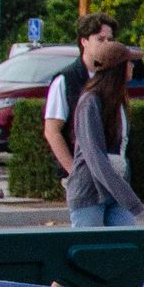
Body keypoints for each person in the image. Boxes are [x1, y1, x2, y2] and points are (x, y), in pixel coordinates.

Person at [63, 40, 143, 227]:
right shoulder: (90, 101)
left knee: (124, 246)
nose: (132, 66)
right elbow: (94, 155)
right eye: (129, 62)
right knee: (92, 251)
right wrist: (127, 196)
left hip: (116, 189)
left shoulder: (119, 99)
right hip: (89, 191)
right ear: (118, 68)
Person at [41, 13, 119, 181]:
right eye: (100, 39)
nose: (106, 45)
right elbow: (52, 131)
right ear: (84, 42)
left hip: (111, 171)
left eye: (110, 40)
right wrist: (74, 172)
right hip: (82, 174)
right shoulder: (66, 80)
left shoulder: (112, 79)